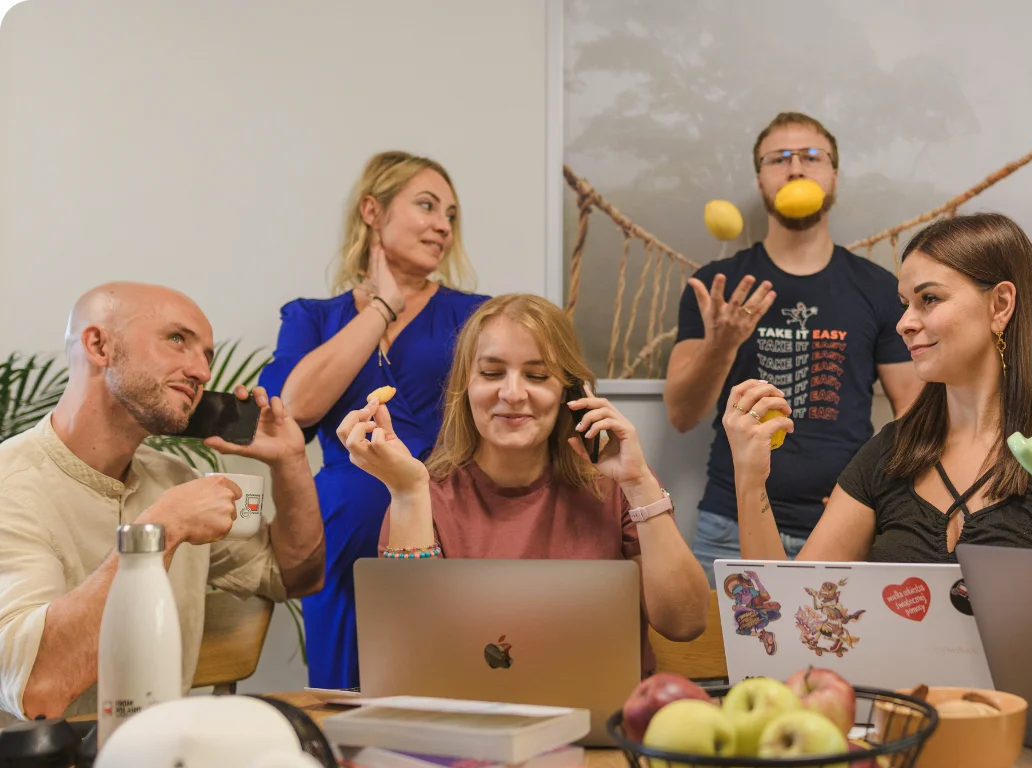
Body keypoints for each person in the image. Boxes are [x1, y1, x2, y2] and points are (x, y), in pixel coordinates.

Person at [725, 213, 1032, 563]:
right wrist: (749, 478)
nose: (904, 324)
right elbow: (785, 614)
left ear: (1000, 305)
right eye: (904, 303)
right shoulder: (889, 454)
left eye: (929, 299)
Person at [0, 283, 324, 719]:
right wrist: (162, 531)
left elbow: (294, 577)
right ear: (98, 346)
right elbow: (37, 690)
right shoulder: (10, 488)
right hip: (39, 760)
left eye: (207, 356)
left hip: (162, 751)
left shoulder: (175, 480)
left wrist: (290, 462)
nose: (202, 372)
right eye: (177, 339)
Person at [337, 294, 708, 675]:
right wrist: (407, 493)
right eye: (492, 373)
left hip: (606, 711)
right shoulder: (422, 496)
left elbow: (685, 622)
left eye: (537, 376)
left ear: (570, 391)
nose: (513, 394)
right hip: (472, 710)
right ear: (465, 386)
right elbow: (414, 657)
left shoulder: (616, 487)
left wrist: (639, 482)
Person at [258, 151, 489, 689]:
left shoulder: (476, 314)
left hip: (450, 522)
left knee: (446, 684)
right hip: (341, 539)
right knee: (341, 696)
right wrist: (383, 306)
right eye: (427, 206)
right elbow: (295, 406)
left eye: (451, 215)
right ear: (372, 210)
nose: (443, 226)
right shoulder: (311, 317)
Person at [664, 112, 924, 580]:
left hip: (844, 522)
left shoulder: (879, 288)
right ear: (760, 179)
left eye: (811, 157)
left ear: (834, 176)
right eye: (779, 158)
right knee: (717, 635)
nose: (796, 168)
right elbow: (682, 415)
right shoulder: (716, 288)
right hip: (729, 522)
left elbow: (915, 413)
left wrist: (876, 494)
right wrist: (721, 346)